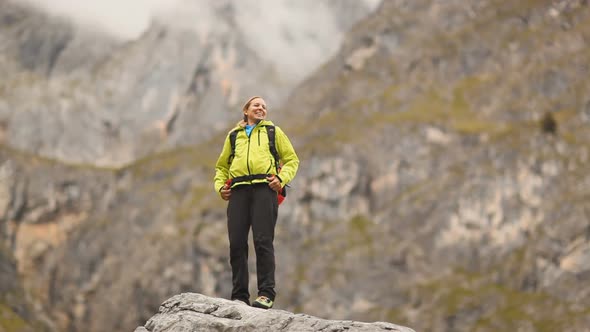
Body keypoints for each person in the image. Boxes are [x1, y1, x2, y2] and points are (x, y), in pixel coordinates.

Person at [214, 96, 299, 309]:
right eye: (256, 105)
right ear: (246, 110)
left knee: (263, 241)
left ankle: (266, 294)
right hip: (238, 192)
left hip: (265, 189)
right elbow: (221, 167)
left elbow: (291, 160)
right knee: (236, 244)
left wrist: (281, 179)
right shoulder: (233, 136)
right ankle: (239, 296)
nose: (261, 108)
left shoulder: (273, 132)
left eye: (264, 106)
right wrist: (220, 187)